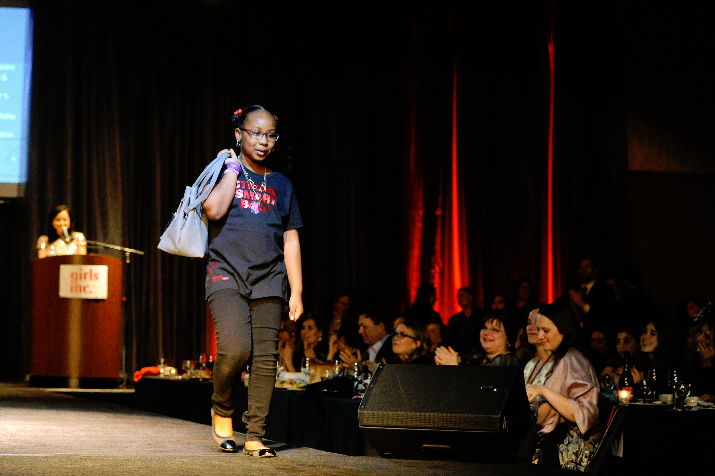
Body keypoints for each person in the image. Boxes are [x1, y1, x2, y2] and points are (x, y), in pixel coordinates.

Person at [203, 105, 303, 457]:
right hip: (226, 272)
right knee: (235, 348)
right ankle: (222, 406)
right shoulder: (221, 171)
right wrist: (231, 167)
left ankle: (255, 434)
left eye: (270, 134)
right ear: (239, 134)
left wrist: (297, 290)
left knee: (264, 359)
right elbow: (213, 211)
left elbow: (290, 239)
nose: (263, 140)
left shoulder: (282, 184)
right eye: (255, 132)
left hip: (270, 279)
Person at [525, 302, 601, 472]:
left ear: (563, 329)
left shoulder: (573, 359)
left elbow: (585, 412)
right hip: (550, 443)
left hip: (569, 453)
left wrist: (543, 390)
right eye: (539, 330)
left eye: (546, 330)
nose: (540, 335)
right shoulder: (549, 360)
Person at [434, 311, 520, 367]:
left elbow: (482, 389)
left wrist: (454, 366)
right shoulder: (477, 357)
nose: (486, 333)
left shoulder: (508, 361)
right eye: (484, 328)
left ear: (508, 338)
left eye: (495, 330)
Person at [446, 287, 482, 360]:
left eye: (462, 296)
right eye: (458, 296)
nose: (459, 299)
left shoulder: (481, 315)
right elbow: (451, 339)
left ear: (470, 297)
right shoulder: (454, 319)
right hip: (460, 357)